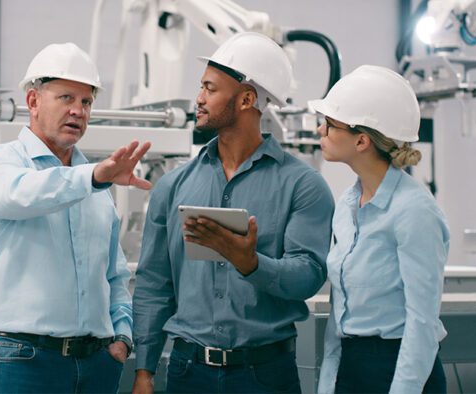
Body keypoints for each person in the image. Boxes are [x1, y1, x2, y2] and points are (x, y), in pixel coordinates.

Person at [131, 32, 334, 394]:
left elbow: (309, 275)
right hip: (187, 372)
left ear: (247, 99)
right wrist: (144, 371)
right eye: (201, 87)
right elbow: (153, 284)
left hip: (266, 374)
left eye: (210, 89)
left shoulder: (303, 185)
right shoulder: (173, 187)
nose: (199, 98)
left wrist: (251, 263)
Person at [0, 42, 151, 393]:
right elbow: (21, 194)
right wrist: (94, 178)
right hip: (24, 361)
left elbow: (114, 274)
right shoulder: (0, 164)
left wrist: (122, 338)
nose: (79, 111)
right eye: (66, 98)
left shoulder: (95, 180)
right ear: (33, 102)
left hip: (98, 362)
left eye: (86, 102)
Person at [311, 65, 449, 394]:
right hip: (353, 366)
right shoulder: (346, 205)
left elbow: (421, 324)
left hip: (399, 369)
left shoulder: (414, 211)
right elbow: (340, 313)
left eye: (330, 125)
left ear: (361, 140)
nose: (320, 130)